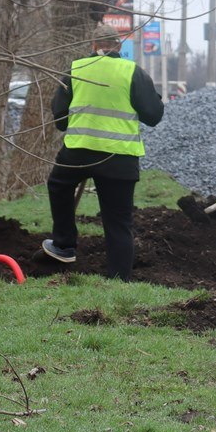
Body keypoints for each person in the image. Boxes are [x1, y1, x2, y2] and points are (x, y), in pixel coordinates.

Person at [42, 23, 164, 280]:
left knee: (58, 185)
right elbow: (153, 116)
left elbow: (60, 119)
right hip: (118, 158)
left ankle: (64, 244)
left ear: (93, 46)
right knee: (118, 221)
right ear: (119, 47)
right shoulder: (133, 72)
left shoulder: (77, 69)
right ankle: (119, 280)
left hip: (78, 154)